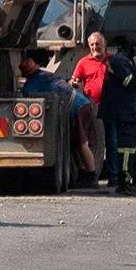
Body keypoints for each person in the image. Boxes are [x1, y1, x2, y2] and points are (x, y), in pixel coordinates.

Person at [19, 49, 98, 184]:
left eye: (25, 61)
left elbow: (27, 98)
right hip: (81, 104)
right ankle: (82, 174)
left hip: (77, 108)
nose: (21, 65)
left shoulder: (34, 82)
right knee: (74, 143)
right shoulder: (46, 75)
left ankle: (91, 175)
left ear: (32, 63)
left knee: (81, 143)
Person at [100, 34, 136, 193]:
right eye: (135, 48)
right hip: (124, 113)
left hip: (132, 111)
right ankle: (124, 181)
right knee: (126, 149)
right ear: (130, 47)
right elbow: (128, 82)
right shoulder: (119, 61)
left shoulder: (126, 61)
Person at [73, 31, 114, 182]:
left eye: (98, 44)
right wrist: (74, 83)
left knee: (112, 141)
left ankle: (113, 174)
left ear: (105, 45)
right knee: (92, 140)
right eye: (92, 44)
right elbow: (75, 78)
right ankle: (93, 171)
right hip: (92, 108)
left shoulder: (112, 61)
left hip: (110, 107)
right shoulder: (83, 62)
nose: (95, 47)